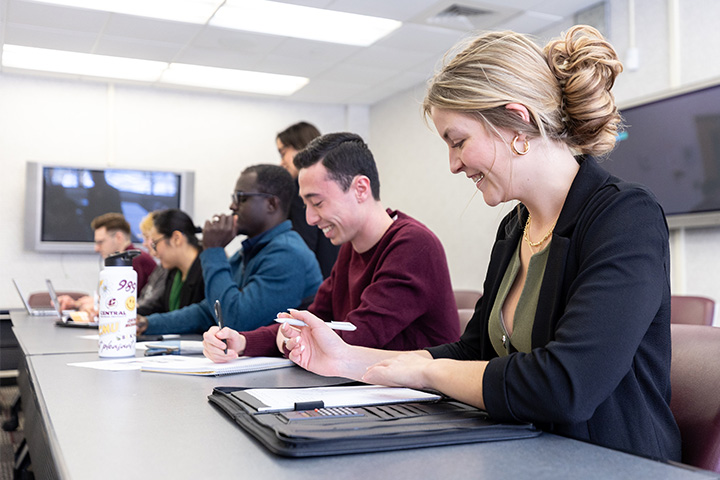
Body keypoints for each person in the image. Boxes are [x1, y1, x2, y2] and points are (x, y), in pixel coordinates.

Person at [263, 26, 682, 461]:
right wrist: (348, 360)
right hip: (525, 452)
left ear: (517, 120)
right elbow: (475, 351)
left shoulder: (625, 217)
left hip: (613, 463)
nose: (453, 164)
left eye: (458, 142)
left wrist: (428, 371)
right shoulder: (514, 227)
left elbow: (565, 385)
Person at [203, 133, 460, 360]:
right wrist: (245, 341)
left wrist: (288, 338)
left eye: (318, 203)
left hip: (421, 403)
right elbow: (314, 317)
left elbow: (357, 336)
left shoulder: (413, 246)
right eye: (306, 205)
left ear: (360, 188)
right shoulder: (350, 248)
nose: (310, 219)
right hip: (372, 389)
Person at [137, 164, 322, 335]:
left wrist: (214, 250)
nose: (232, 206)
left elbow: (236, 320)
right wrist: (147, 323)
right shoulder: (249, 252)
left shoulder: (287, 254)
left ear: (271, 204)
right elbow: (209, 311)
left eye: (241, 198)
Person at [277, 121, 340, 278]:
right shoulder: (332, 182)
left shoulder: (300, 189)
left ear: (301, 147)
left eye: (283, 153)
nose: (281, 162)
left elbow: (303, 246)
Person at [58, 212, 157, 312]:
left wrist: (92, 304)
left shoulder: (134, 261)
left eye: (101, 242)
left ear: (119, 237)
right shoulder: (128, 261)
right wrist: (77, 303)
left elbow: (120, 304)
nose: (96, 248)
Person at [136, 209, 205, 316]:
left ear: (176, 239)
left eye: (155, 244)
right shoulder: (174, 272)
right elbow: (158, 307)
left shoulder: (207, 269)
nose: (155, 252)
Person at [136, 210, 169, 315]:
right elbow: (143, 297)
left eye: (147, 238)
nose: (144, 244)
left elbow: (154, 304)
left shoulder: (168, 268)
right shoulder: (159, 268)